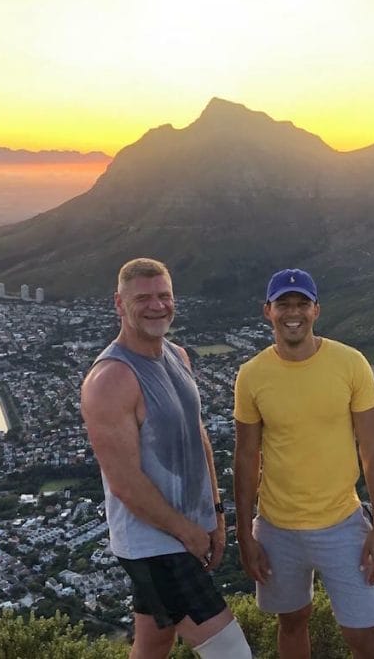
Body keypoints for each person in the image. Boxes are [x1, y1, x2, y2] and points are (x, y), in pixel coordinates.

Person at [82, 258, 251, 659]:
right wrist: (186, 531)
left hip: (186, 529)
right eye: (143, 298)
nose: (157, 306)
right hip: (154, 543)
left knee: (153, 645)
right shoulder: (111, 379)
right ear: (119, 304)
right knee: (231, 653)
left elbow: (200, 436)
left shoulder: (177, 355)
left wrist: (216, 514)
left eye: (164, 295)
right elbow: (124, 483)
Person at [234, 268, 374, 659]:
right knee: (291, 621)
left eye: (302, 304)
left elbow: (373, 448)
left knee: (366, 639)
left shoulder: (351, 363)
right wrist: (244, 534)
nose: (294, 312)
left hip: (342, 524)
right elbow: (245, 458)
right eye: (283, 304)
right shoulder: (251, 376)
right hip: (276, 529)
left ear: (316, 310)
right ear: (267, 311)